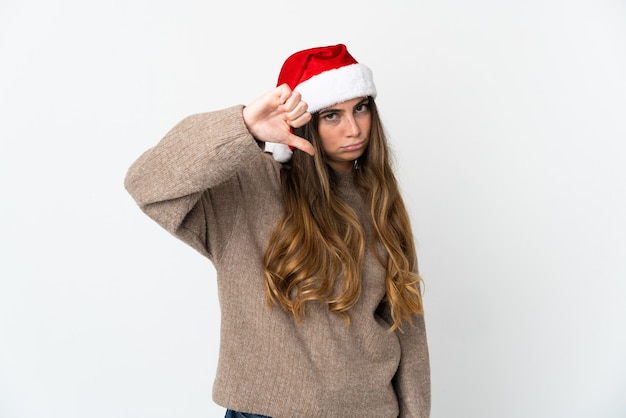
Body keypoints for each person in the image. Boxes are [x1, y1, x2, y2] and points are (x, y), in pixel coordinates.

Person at [125, 43, 430, 418]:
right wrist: (244, 128)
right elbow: (146, 182)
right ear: (303, 121)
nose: (354, 129)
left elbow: (407, 326)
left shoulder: (380, 197)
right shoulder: (249, 186)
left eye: (361, 108)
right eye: (332, 115)